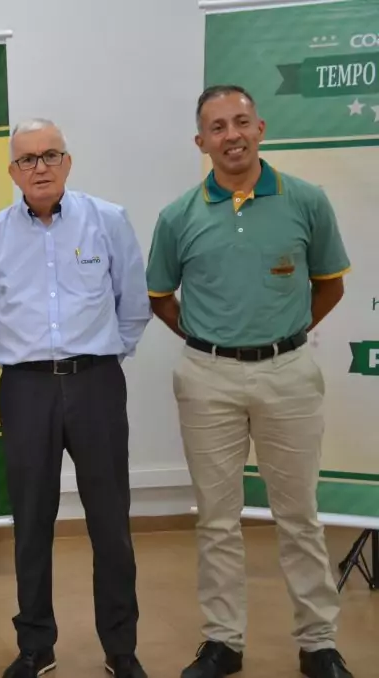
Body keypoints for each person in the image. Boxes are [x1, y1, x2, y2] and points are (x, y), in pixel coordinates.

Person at [146, 85, 354, 678]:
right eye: (217, 127)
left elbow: (330, 284)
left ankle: (319, 644)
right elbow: (160, 296)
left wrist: (282, 336)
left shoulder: (305, 200)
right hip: (208, 377)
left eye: (241, 122)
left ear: (261, 127)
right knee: (216, 518)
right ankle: (223, 643)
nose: (231, 135)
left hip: (289, 374)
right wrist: (210, 340)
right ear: (200, 141)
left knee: (300, 516)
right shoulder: (178, 216)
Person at [0, 118, 151, 678]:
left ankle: (121, 650)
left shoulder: (108, 220)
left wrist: (97, 359)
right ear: (12, 171)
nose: (39, 168)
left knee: (110, 524)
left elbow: (133, 304)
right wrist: (32, 362)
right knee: (32, 521)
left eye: (50, 156)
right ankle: (36, 646)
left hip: (96, 383)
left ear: (68, 163)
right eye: (27, 160)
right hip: (25, 389)